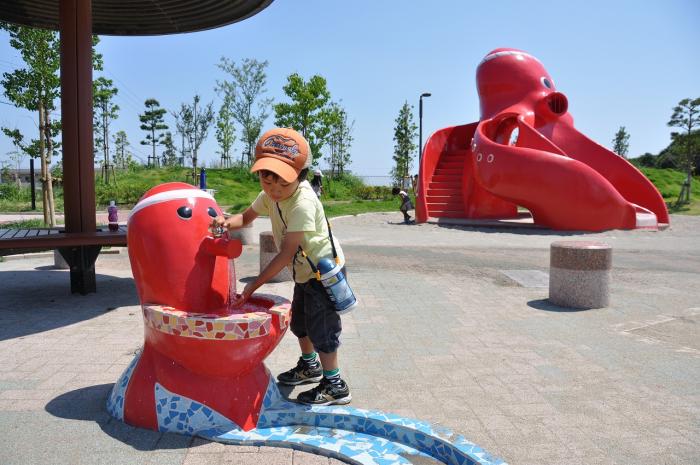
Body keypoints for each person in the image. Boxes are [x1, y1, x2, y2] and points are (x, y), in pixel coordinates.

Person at [212, 127, 351, 406]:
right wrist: (227, 222)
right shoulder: (270, 196)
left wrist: (253, 285)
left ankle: (335, 383)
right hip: (304, 272)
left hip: (322, 274)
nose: (274, 190)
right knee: (301, 323)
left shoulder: (303, 201)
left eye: (282, 184)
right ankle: (309, 366)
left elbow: (286, 253)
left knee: (322, 328)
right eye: (267, 180)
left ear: (300, 177)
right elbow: (247, 216)